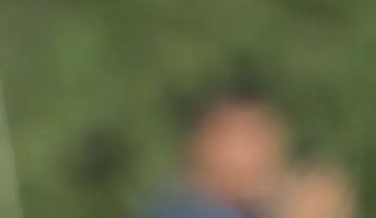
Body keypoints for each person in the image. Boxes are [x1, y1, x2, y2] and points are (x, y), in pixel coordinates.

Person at [142, 90, 354, 218]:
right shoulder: (185, 210)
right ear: (204, 146)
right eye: (251, 140)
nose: (268, 156)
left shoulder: (252, 210)